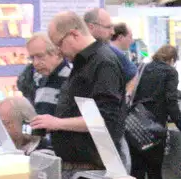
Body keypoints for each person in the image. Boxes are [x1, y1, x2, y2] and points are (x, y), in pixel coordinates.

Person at [36, 11, 127, 170]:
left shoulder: (103, 63)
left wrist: (58, 123)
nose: (59, 52)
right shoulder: (83, 63)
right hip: (81, 165)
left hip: (95, 167)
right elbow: (86, 113)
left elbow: (103, 120)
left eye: (59, 44)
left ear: (74, 34)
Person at [128, 44, 181, 179]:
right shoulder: (170, 72)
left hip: (135, 124)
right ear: (172, 59)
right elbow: (171, 101)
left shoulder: (141, 68)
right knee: (155, 172)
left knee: (137, 172)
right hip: (155, 127)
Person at [15, 32, 69, 123]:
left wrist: (57, 124)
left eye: (40, 56)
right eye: (32, 58)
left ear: (58, 53)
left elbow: (94, 124)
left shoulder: (75, 78)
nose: (35, 63)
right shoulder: (38, 80)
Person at [83, 8, 135, 84]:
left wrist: (127, 94)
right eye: (108, 27)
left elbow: (133, 74)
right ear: (91, 27)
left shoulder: (111, 52)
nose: (113, 32)